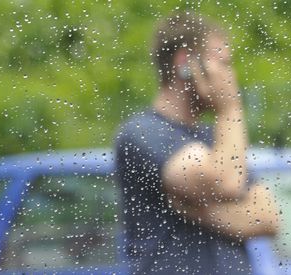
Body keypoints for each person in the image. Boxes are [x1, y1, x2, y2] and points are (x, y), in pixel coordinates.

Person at [115, 12, 279, 275]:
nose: (230, 77)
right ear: (185, 63)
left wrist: (201, 212)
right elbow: (224, 182)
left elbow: (266, 217)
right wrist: (230, 109)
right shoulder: (143, 133)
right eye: (223, 64)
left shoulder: (216, 138)